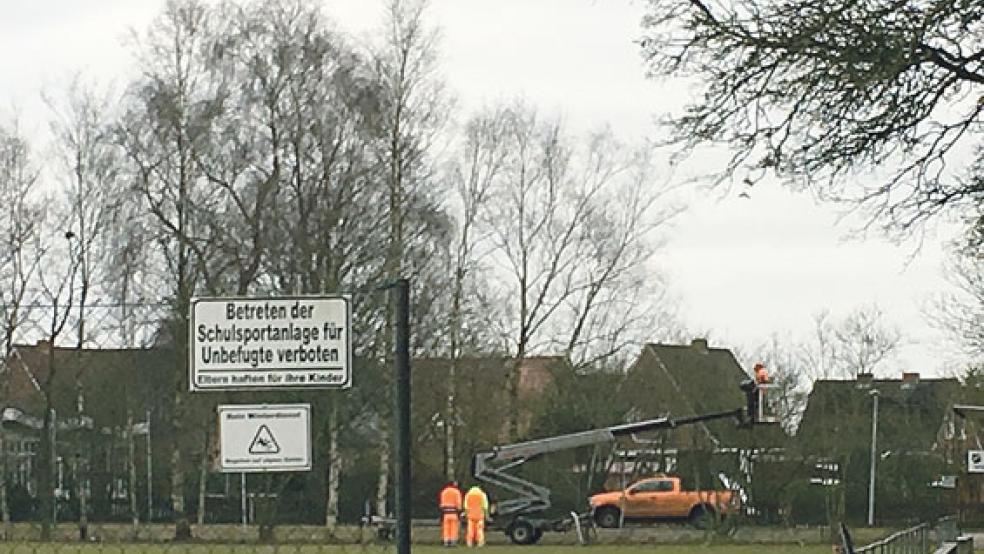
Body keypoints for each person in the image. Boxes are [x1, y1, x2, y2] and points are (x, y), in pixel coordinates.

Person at [439, 481, 463, 546]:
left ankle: (446, 541)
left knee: (446, 528)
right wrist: (459, 511)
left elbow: (442, 504)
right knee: (454, 528)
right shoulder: (456, 492)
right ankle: (453, 541)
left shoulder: (444, 492)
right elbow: (459, 504)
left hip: (445, 513)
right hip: (454, 513)